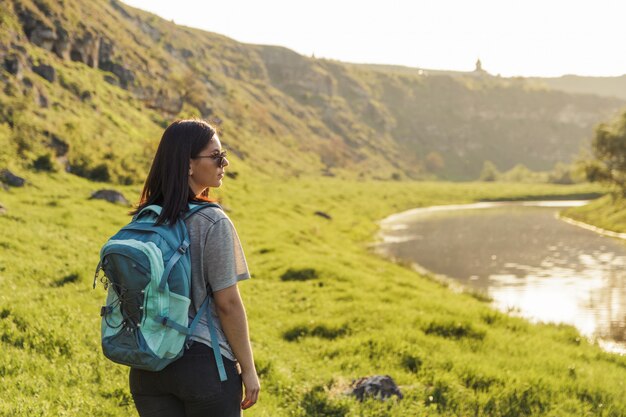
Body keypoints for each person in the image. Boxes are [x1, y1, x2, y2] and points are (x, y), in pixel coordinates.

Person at [128, 119, 260, 416]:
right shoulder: (213, 221)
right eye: (215, 156)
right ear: (188, 165)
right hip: (204, 364)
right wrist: (248, 370)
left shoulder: (144, 219)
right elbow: (227, 304)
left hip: (148, 364)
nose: (224, 162)